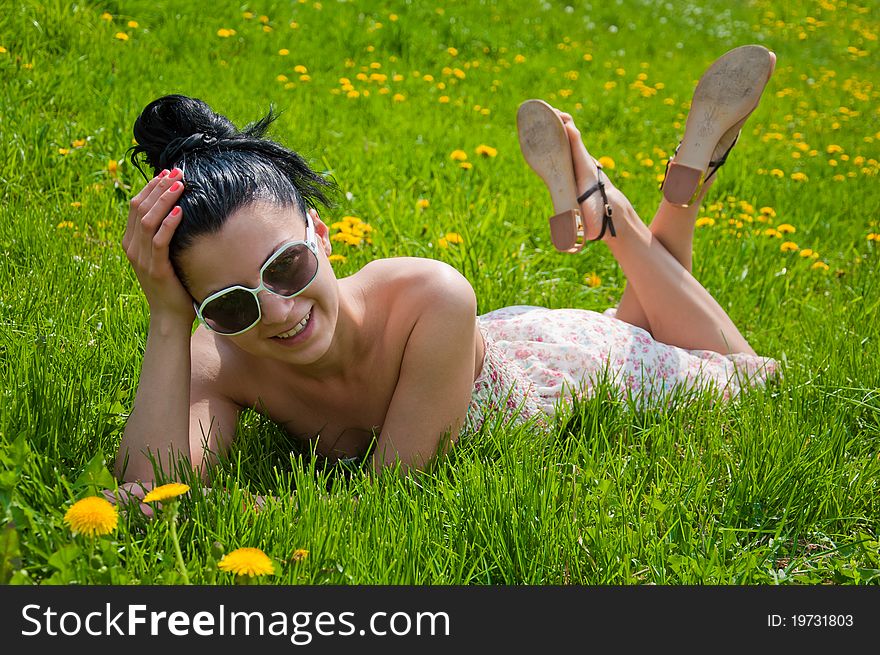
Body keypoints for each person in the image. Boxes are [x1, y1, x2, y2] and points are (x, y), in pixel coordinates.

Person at [115, 45, 779, 489]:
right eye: (232, 304)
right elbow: (149, 492)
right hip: (508, 343)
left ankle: (622, 219)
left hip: (559, 366)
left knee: (753, 380)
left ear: (321, 233)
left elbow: (386, 496)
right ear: (201, 308)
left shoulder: (431, 293)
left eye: (286, 266)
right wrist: (167, 320)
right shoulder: (214, 352)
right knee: (649, 323)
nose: (280, 310)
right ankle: (641, 199)